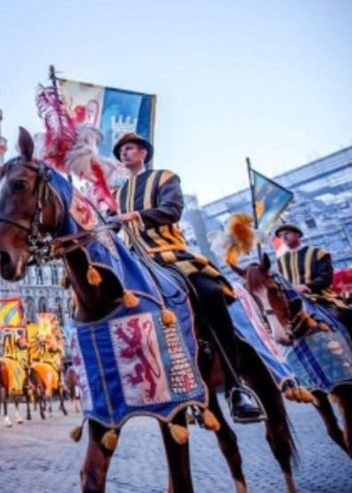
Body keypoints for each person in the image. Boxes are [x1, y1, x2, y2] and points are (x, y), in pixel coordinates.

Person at [111, 132, 264, 423]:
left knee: (209, 292)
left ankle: (235, 385)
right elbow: (107, 223)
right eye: (120, 152)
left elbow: (172, 210)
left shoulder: (165, 178)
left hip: (168, 253)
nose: (123, 155)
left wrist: (133, 217)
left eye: (128, 149)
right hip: (133, 262)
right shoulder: (117, 194)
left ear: (143, 153)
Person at [275, 224, 352, 335]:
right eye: (281, 236)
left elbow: (326, 276)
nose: (284, 237)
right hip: (295, 300)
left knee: (345, 315)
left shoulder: (319, 253)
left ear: (297, 235)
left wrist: (307, 287)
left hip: (320, 295)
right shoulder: (281, 260)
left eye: (287, 233)